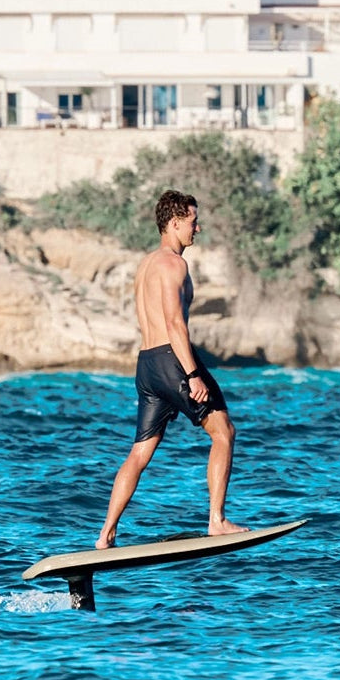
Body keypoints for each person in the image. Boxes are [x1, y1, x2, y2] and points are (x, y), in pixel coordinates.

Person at [96, 189, 247, 548]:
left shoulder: (146, 265)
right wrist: (192, 375)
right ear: (175, 223)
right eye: (194, 222)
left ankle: (106, 534)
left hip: (147, 364)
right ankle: (217, 521)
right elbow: (174, 323)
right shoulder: (173, 264)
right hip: (173, 361)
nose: (198, 228)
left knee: (139, 452)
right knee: (224, 432)